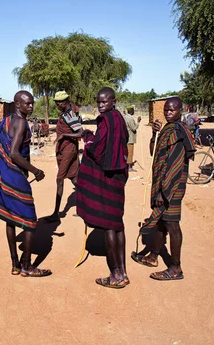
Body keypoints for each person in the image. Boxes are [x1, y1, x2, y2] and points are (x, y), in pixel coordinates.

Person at [0, 90, 51, 278]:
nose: (30, 106)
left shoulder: (8, 119)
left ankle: (15, 263)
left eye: (31, 103)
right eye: (27, 104)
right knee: (30, 222)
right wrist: (36, 171)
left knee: (10, 218)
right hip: (14, 175)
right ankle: (27, 265)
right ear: (17, 104)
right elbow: (14, 153)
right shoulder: (20, 123)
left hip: (2, 174)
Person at [131, 97, 195, 281]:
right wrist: (154, 134)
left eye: (172, 110)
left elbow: (173, 165)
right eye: (166, 110)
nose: (168, 113)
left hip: (172, 186)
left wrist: (163, 191)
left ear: (180, 110)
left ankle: (175, 268)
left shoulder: (177, 131)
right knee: (161, 221)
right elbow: (154, 152)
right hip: (164, 184)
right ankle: (153, 256)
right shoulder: (166, 129)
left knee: (172, 225)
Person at [76, 87, 130, 289]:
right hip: (119, 174)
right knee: (118, 223)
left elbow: (99, 150)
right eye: (98, 102)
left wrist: (87, 139)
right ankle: (123, 272)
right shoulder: (119, 119)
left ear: (113, 101)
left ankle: (115, 274)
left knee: (109, 225)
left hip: (108, 177)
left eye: (104, 102)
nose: (100, 105)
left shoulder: (105, 120)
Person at [45, 91, 82, 223]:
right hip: (66, 149)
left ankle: (56, 213)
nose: (57, 104)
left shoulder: (70, 115)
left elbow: (80, 132)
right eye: (56, 102)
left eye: (58, 102)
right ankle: (88, 205)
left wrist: (64, 136)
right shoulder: (65, 114)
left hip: (68, 150)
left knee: (59, 179)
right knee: (74, 178)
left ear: (65, 101)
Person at [123, 105, 141, 172]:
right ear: (131, 111)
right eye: (133, 111)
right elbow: (133, 128)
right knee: (130, 152)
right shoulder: (130, 118)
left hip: (125, 137)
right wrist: (138, 122)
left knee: (125, 152)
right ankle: (129, 167)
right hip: (130, 138)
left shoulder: (124, 117)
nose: (134, 112)